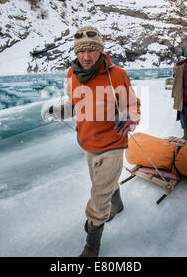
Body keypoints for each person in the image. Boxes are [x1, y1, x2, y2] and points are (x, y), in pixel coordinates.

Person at [43, 25, 141, 257]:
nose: (86, 56)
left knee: (98, 198)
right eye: (81, 51)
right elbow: (73, 105)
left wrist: (129, 118)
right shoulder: (71, 74)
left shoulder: (117, 74)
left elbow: (132, 105)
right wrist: (58, 111)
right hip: (88, 144)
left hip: (113, 144)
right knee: (103, 184)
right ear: (76, 53)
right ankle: (116, 204)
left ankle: (91, 247)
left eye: (92, 51)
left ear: (100, 51)